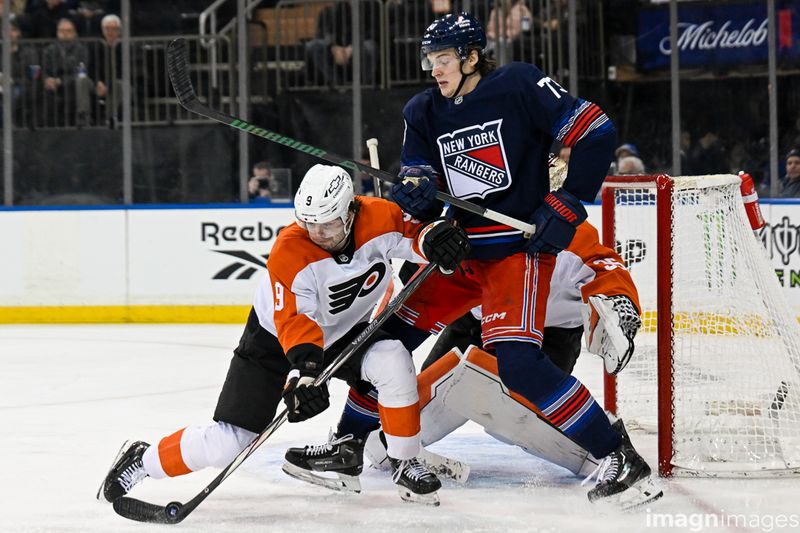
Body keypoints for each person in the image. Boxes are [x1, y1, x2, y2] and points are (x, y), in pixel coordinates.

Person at [381, 12, 656, 506]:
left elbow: (595, 130)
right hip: (465, 263)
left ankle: (616, 454)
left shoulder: (518, 84)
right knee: (388, 338)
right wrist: (418, 197)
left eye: (442, 58)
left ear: (470, 56)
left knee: (521, 369)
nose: (434, 69)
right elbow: (419, 181)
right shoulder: (424, 110)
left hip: (521, 267)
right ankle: (347, 443)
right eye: (429, 60)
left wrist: (569, 202)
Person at [98, 164, 471, 506]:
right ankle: (143, 459)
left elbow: (413, 239)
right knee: (229, 443)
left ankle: (404, 462)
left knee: (392, 358)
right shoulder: (290, 252)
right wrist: (305, 374)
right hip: (274, 344)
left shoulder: (379, 216)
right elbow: (296, 322)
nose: (317, 233)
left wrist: (433, 240)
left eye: (327, 223)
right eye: (309, 223)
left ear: (350, 212)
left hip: (343, 331)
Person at [288, 219, 647, 490]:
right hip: (471, 327)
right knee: (386, 425)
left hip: (545, 339)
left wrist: (618, 303)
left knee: (527, 416)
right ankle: (348, 441)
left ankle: (608, 444)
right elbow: (427, 262)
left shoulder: (563, 231)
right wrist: (418, 253)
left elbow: (606, 268)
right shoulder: (474, 222)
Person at [304, 2, 377, 87]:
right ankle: (338, 85)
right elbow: (321, 34)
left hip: (358, 47)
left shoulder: (369, 8)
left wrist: (353, 47)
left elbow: (372, 32)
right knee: (312, 46)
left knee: (370, 46)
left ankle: (364, 86)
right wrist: (333, 47)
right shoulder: (326, 12)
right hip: (335, 49)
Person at [41, 17, 93, 126]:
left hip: (74, 83)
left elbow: (81, 72)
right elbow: (45, 69)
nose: (65, 34)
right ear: (57, 32)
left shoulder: (81, 50)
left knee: (80, 81)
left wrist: (61, 81)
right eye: (61, 31)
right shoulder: (49, 50)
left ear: (74, 33)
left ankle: (82, 118)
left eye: (68, 31)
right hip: (54, 85)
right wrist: (48, 80)